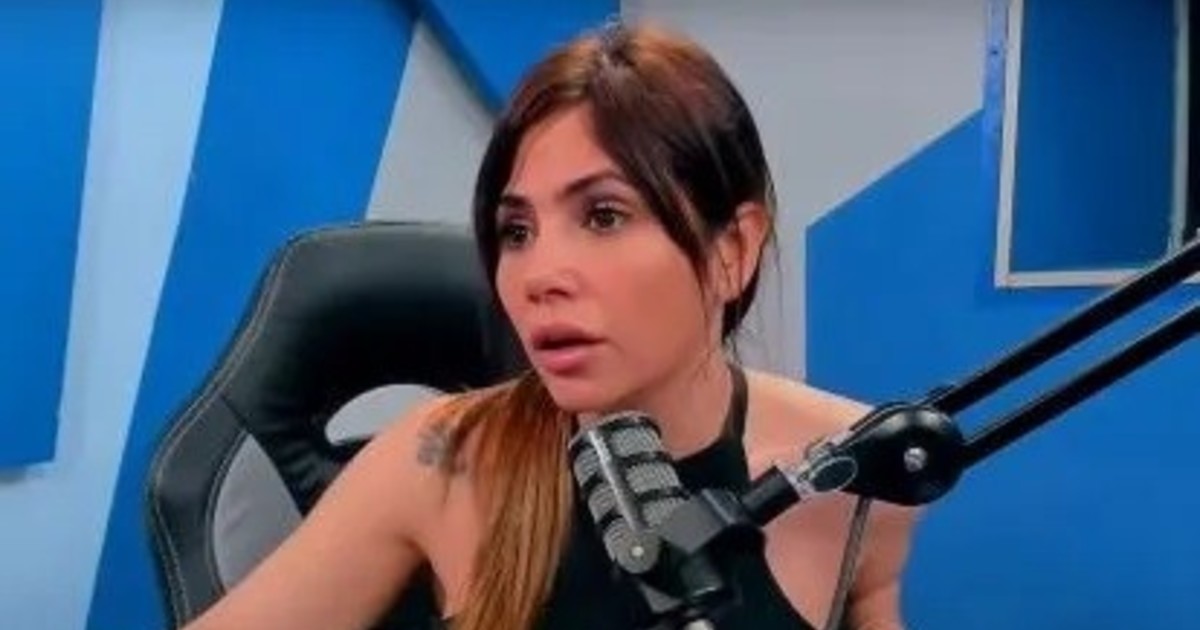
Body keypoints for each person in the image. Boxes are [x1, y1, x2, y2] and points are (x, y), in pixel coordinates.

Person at [184, 19, 917, 630]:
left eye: (604, 216)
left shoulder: (857, 468)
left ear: (733, 249)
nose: (539, 275)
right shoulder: (439, 462)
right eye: (517, 231)